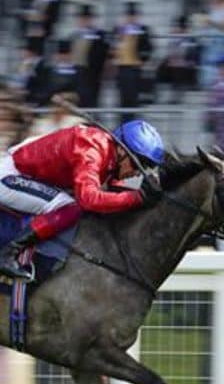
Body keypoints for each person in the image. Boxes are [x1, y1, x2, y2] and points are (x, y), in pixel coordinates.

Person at [0, 118, 164, 281]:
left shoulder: (109, 154)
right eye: (138, 164)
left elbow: (114, 190)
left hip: (27, 174)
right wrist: (137, 197)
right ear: (122, 150)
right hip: (9, 176)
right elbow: (88, 199)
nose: (136, 173)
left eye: (145, 166)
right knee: (70, 206)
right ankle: (9, 252)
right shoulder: (92, 148)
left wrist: (145, 194)